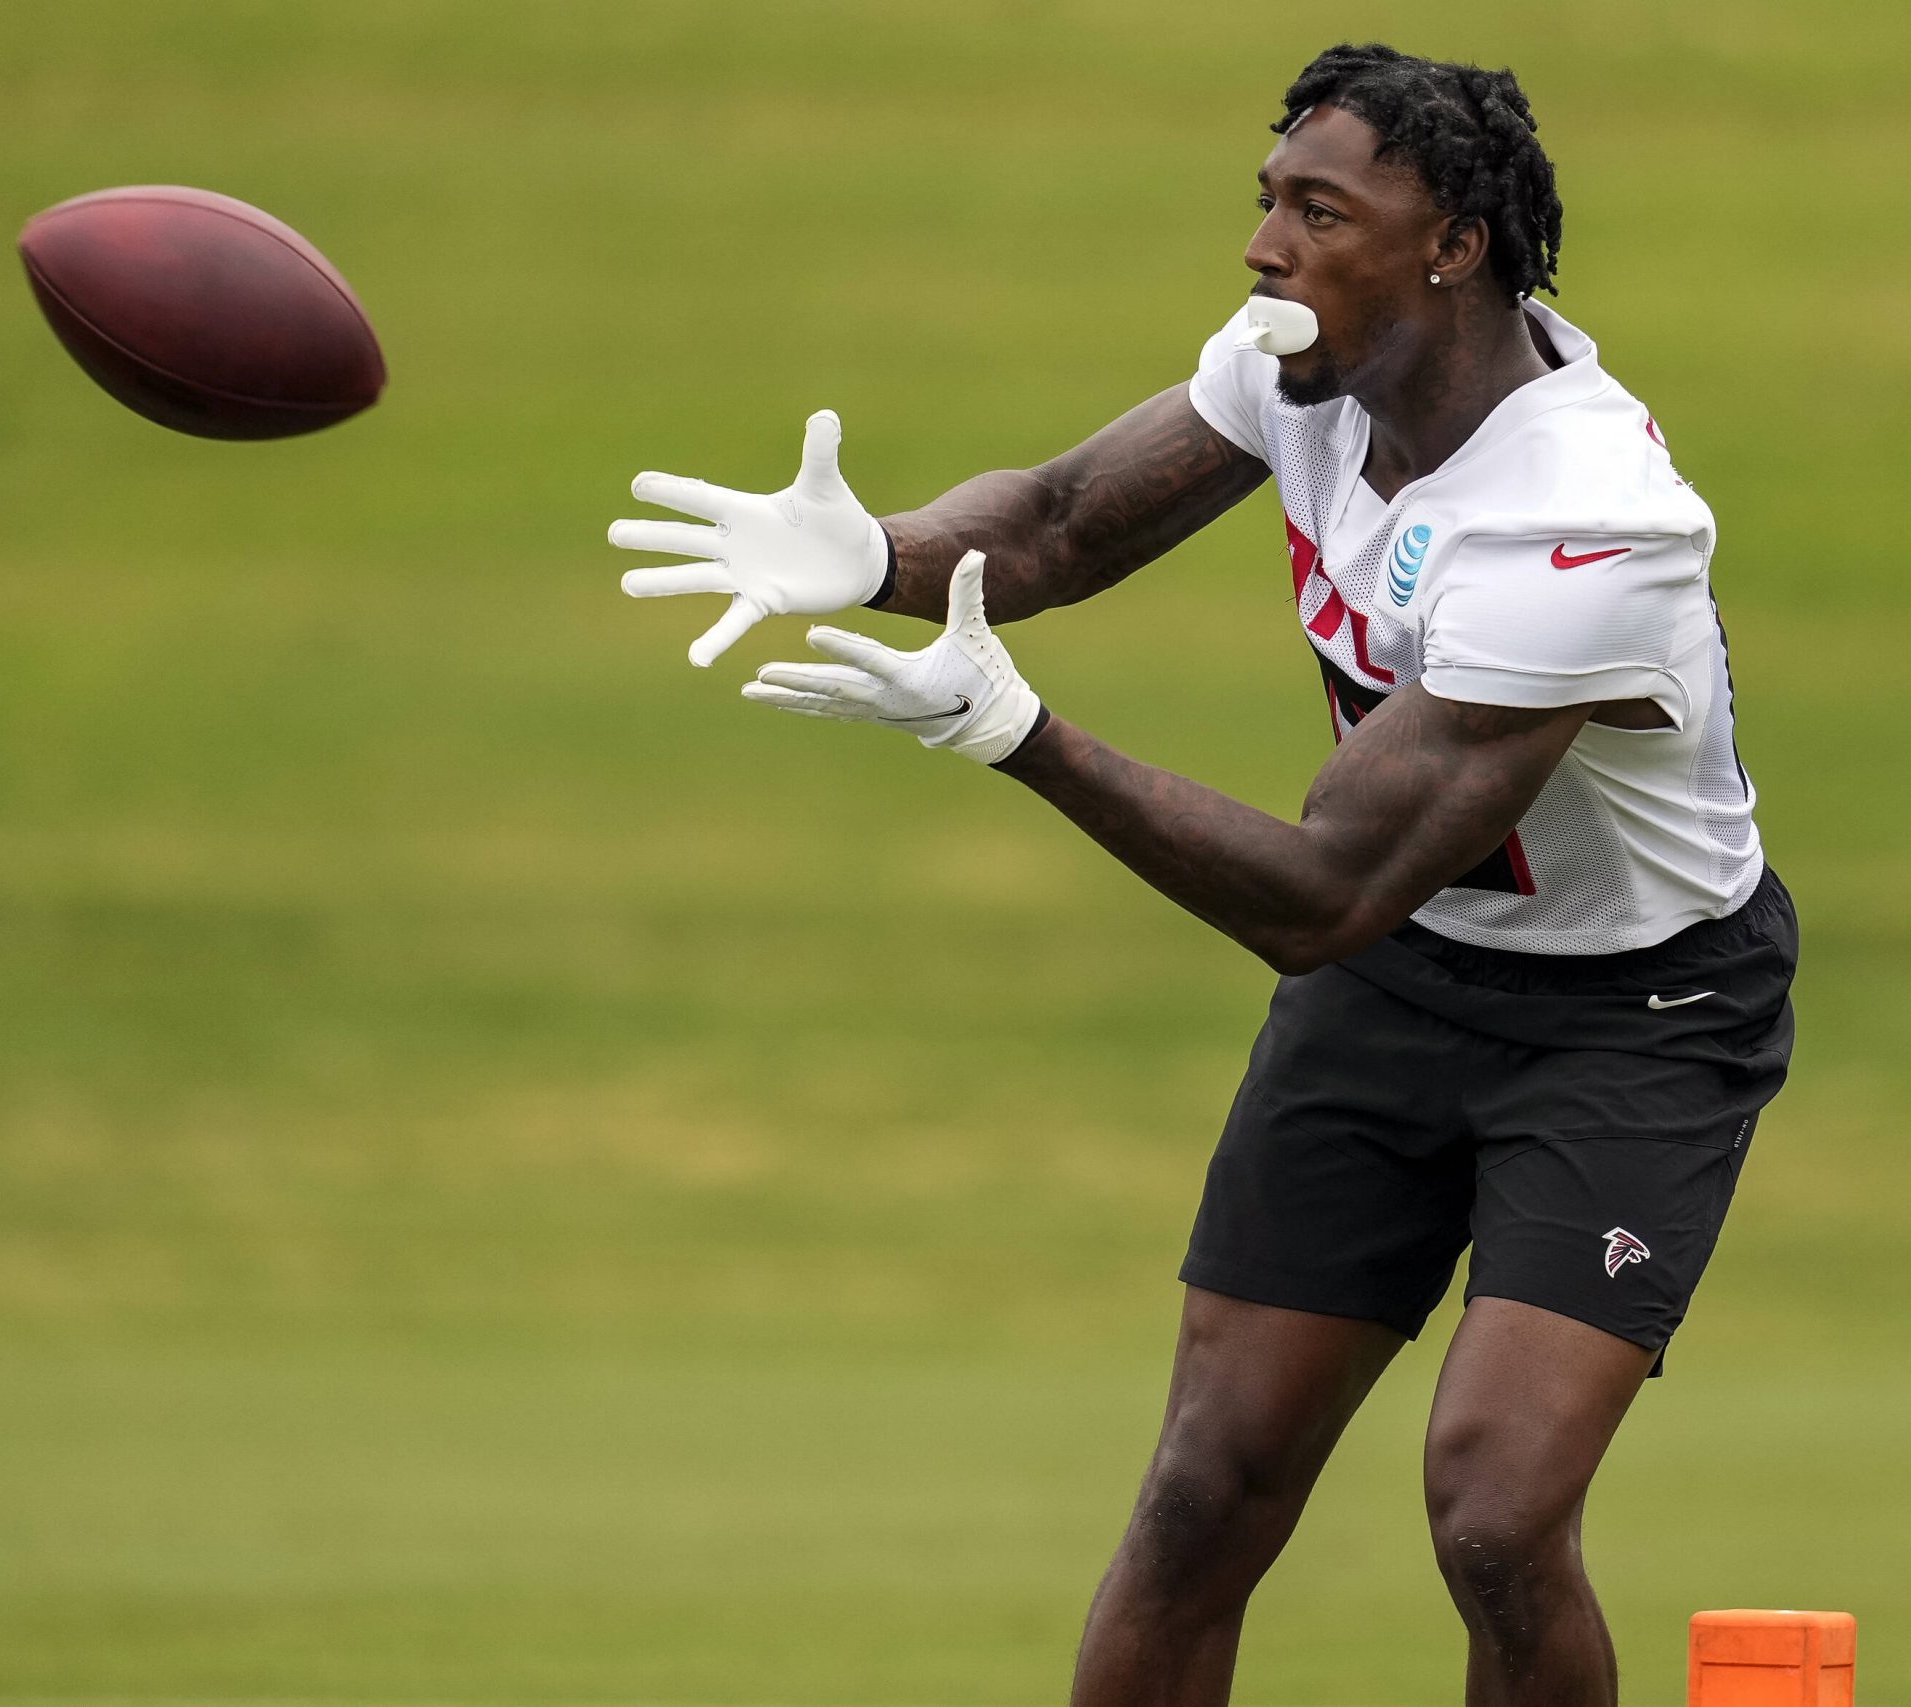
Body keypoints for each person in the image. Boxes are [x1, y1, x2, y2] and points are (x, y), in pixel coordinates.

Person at [606, 42, 1796, 1707]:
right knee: (1202, 1491)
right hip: (1404, 982)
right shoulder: (1303, 371)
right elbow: (1068, 519)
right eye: (1268, 201)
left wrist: (1024, 739)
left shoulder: (1584, 521)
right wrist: (879, 556)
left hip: (1631, 1013)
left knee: (1494, 1516)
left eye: (1320, 210)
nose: (1264, 248)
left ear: (1452, 242)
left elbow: (1319, 893)